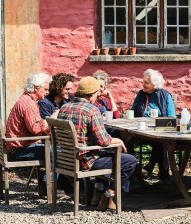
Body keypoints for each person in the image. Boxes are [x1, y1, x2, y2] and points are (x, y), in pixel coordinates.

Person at [58, 76, 137, 211]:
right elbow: (103, 141)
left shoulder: (64, 108)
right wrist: (117, 140)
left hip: (66, 159)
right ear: (92, 94)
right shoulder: (91, 110)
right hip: (85, 161)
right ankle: (109, 194)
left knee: (107, 155)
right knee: (129, 161)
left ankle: (98, 191)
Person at [131, 69, 176, 181]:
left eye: (146, 83)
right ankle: (135, 173)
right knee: (127, 139)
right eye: (143, 82)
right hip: (141, 131)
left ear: (154, 84)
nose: (143, 85)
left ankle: (151, 167)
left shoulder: (165, 96)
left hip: (159, 131)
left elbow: (171, 117)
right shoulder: (141, 94)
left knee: (161, 140)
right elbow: (133, 111)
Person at [5, 72, 52, 164]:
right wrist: (48, 122)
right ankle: (49, 178)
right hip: (20, 151)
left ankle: (46, 178)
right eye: (45, 89)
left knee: (52, 149)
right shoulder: (30, 104)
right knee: (57, 153)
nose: (47, 92)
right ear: (35, 88)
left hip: (17, 147)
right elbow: (35, 129)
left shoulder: (26, 98)